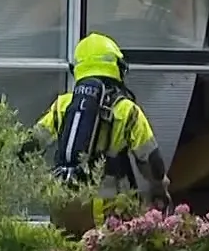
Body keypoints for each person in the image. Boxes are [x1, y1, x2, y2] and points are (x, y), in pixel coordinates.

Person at [34, 33, 171, 220]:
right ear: (116, 68)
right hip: (109, 208)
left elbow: (31, 144)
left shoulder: (63, 105)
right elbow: (152, 163)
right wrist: (160, 188)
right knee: (101, 248)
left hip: (66, 205)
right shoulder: (127, 111)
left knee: (62, 249)